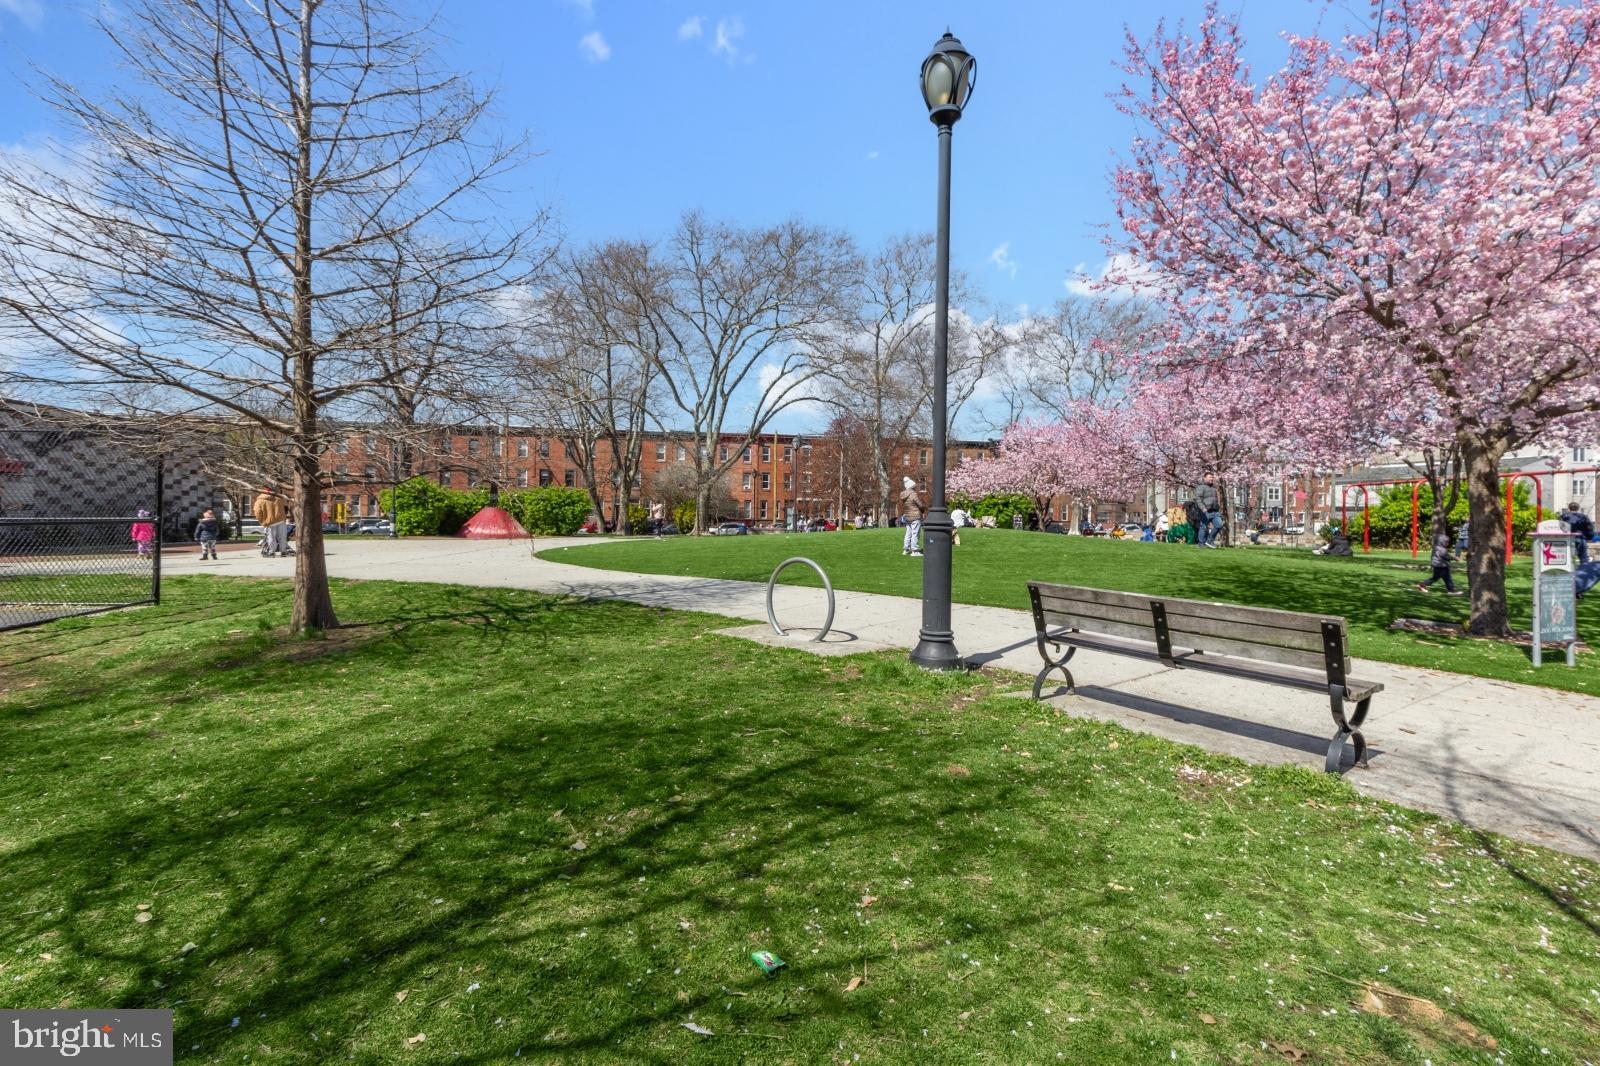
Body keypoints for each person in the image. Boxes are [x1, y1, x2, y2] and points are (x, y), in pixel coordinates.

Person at [1415, 525, 1464, 595]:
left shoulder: (1436, 547)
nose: (1447, 544)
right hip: (1442, 566)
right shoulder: (1442, 549)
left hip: (1436, 565)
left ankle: (1422, 585)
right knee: (1447, 578)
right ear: (1442, 542)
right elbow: (1446, 556)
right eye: (1446, 542)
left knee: (1435, 578)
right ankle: (1451, 591)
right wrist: (1455, 558)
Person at [252, 486, 289, 558]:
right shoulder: (280, 498)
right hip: (281, 520)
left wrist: (262, 521)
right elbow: (286, 508)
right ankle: (283, 551)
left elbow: (257, 512)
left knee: (271, 537)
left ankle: (271, 552)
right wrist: (284, 516)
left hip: (269, 522)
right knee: (282, 537)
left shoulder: (260, 501)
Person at [1193, 474, 1224, 548]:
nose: (1212, 479)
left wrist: (1218, 508)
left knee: (1219, 525)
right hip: (1205, 511)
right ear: (1205, 478)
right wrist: (1202, 508)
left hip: (1215, 511)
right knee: (1203, 527)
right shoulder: (1201, 487)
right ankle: (1201, 544)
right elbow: (1198, 498)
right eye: (1210, 477)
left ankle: (1209, 540)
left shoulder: (1213, 489)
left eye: (1212, 477)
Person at [899, 476, 925, 557]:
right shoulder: (913, 494)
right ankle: (915, 550)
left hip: (908, 516)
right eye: (914, 487)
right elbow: (920, 504)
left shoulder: (904, 495)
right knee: (915, 533)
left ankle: (906, 549)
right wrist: (923, 509)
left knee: (908, 533)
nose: (915, 488)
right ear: (911, 486)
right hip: (915, 516)